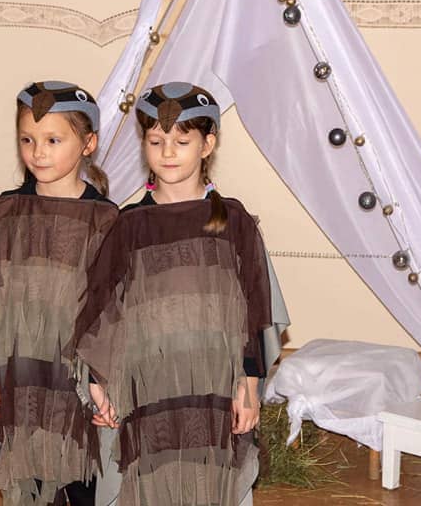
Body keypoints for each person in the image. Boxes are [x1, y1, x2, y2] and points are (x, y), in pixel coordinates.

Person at [75, 82, 274, 505]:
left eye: (182, 142)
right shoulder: (129, 224)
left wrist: (249, 385)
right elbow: (100, 307)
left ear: (207, 144)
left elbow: (255, 310)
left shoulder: (232, 221)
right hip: (147, 384)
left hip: (215, 384)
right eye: (155, 141)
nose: (167, 152)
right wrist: (98, 381)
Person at [0, 81, 118, 505]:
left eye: (53, 140)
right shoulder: (5, 212)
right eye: (27, 140)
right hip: (19, 368)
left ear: (88, 144)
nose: (38, 153)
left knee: (78, 478)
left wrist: (100, 381)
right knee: (26, 472)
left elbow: (109, 312)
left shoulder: (105, 219)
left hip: (74, 374)